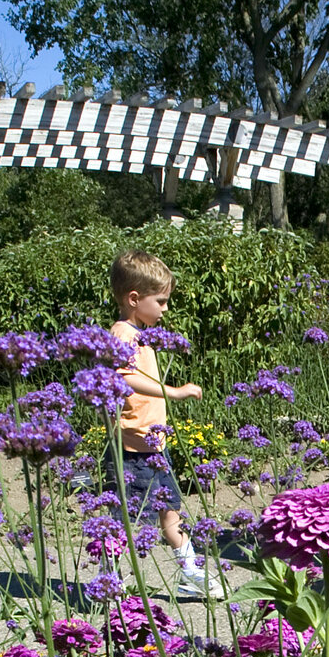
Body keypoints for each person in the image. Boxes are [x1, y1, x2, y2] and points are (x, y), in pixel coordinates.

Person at [108, 249, 223, 599]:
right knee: (125, 521)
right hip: (132, 448)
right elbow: (123, 376)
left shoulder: (140, 334)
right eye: (160, 301)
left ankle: (190, 572)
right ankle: (110, 580)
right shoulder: (122, 333)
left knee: (170, 512)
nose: (165, 309)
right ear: (133, 299)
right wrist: (172, 392)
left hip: (153, 445)